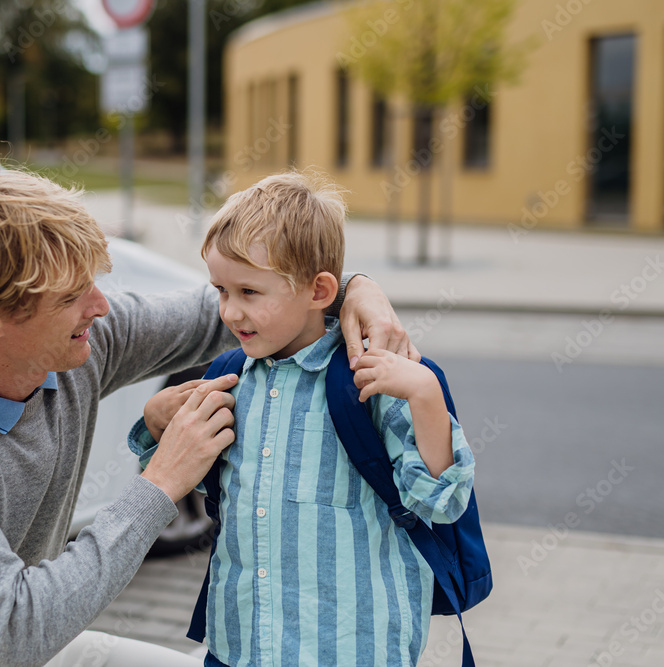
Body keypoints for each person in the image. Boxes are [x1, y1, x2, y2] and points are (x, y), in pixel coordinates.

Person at [0, 169, 416, 667]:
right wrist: (162, 482)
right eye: (72, 298)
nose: (100, 308)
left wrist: (355, 289)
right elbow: (21, 629)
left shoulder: (80, 341)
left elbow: (250, 303)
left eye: (93, 284)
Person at [130, 171, 476, 667]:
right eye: (221, 290)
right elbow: (208, 488)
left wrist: (426, 397)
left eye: (249, 292)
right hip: (239, 646)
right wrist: (158, 423)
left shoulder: (373, 378)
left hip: (352, 650)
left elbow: (441, 504)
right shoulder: (232, 377)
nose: (229, 312)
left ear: (320, 292)